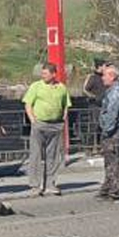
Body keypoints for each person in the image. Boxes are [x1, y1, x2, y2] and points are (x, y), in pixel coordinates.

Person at [22, 61, 71, 196]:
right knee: (36, 155)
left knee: (53, 156)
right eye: (42, 73)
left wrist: (62, 121)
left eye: (45, 73)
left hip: (56, 125)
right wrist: (33, 120)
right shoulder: (36, 86)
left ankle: (50, 184)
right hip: (40, 124)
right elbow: (28, 104)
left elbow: (66, 105)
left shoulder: (61, 88)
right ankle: (35, 186)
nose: (42, 75)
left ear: (53, 74)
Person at [97, 64, 119, 201]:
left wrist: (106, 130)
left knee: (112, 161)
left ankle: (115, 191)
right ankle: (108, 187)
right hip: (115, 130)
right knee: (109, 160)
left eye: (104, 75)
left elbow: (112, 114)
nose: (102, 78)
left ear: (112, 76)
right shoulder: (114, 91)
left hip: (114, 131)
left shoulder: (116, 93)